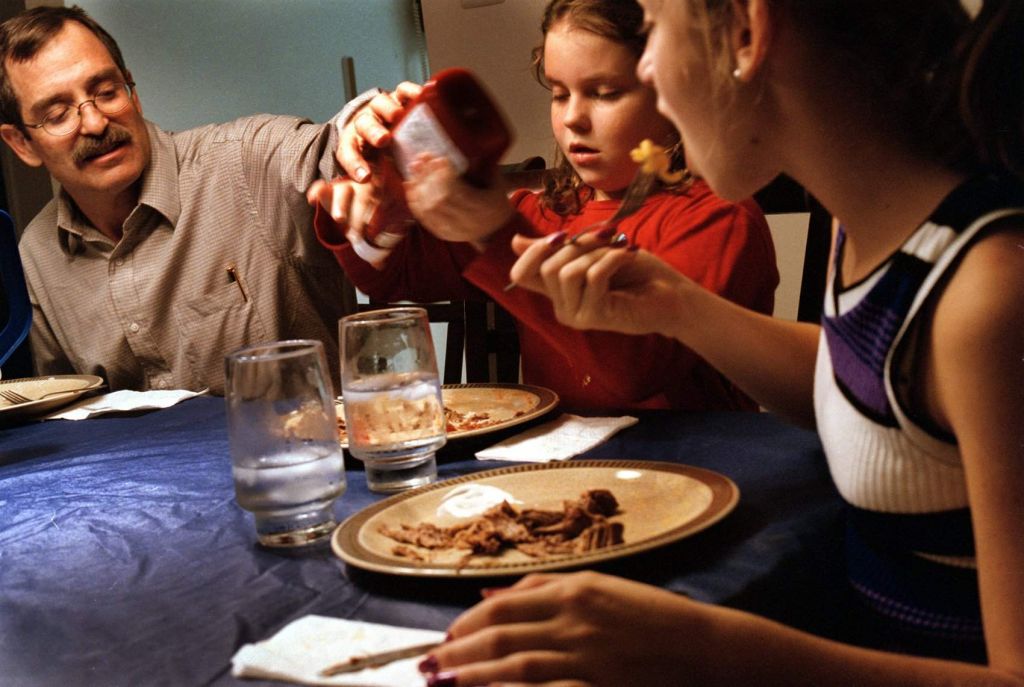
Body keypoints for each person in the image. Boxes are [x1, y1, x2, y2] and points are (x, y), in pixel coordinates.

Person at [409, 1, 1024, 685]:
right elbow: (885, 396)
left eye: (654, 25)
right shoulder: (879, 227)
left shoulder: (990, 291)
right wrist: (683, 309)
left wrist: (712, 646)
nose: (646, 67)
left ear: (747, 32)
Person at [311, 0, 778, 411]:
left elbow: (637, 372)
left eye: (605, 92)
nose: (573, 117)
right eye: (559, 93)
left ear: (667, 90)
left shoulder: (718, 217)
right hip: (561, 471)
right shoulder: (544, 213)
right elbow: (392, 278)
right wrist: (386, 218)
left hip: (699, 467)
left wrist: (496, 236)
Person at [0, 6, 357, 394]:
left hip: (299, 449)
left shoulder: (247, 162)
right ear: (22, 143)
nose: (95, 123)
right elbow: (60, 411)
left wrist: (371, 132)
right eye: (57, 114)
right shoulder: (36, 256)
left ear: (133, 94)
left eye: (106, 92)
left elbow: (339, 149)